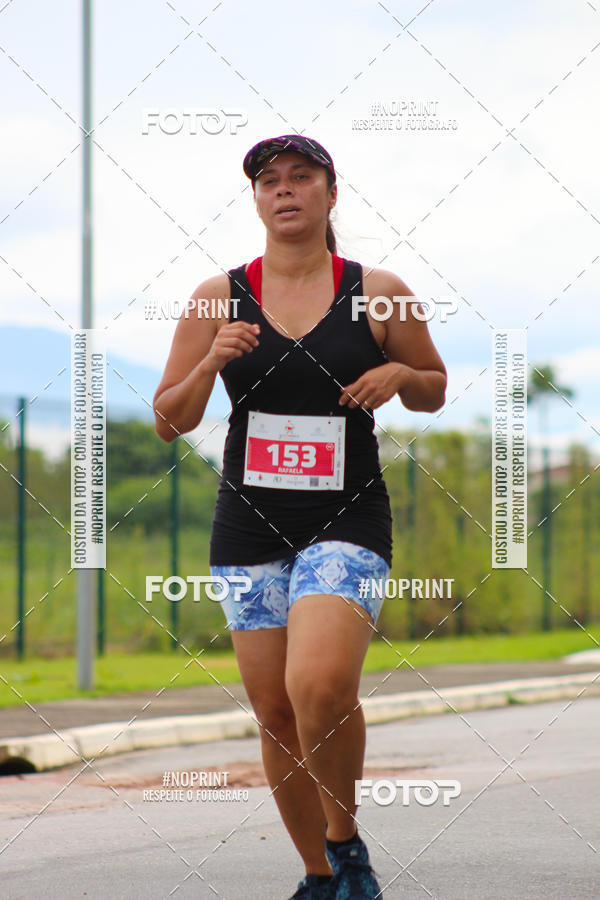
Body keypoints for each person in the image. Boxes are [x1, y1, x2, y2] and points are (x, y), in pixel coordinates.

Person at [153, 135, 447, 900]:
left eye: (301, 178)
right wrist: (212, 360)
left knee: (319, 686)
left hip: (346, 517)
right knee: (277, 710)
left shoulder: (377, 290)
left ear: (330, 192)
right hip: (248, 524)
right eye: (269, 182)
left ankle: (345, 844)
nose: (284, 191)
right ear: (256, 199)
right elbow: (168, 419)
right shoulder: (217, 295)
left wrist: (399, 371)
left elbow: (433, 387)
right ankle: (321, 878)